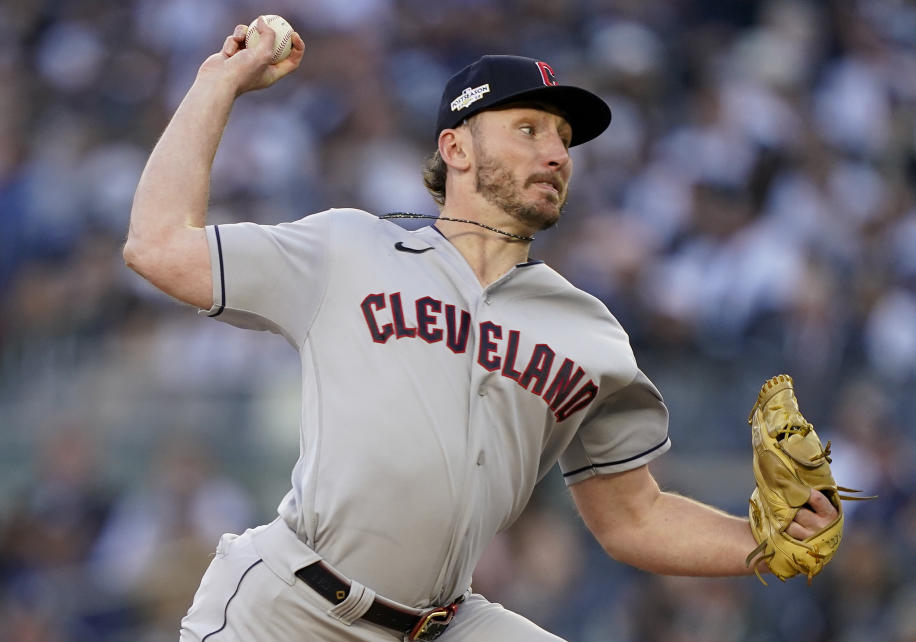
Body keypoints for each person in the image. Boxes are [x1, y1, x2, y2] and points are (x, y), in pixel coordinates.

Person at [124, 18, 839, 642]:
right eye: (528, 130)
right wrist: (219, 81)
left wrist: (761, 542)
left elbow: (634, 518)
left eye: (563, 140)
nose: (557, 154)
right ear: (457, 150)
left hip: (444, 623)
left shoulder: (588, 331)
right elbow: (156, 245)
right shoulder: (346, 250)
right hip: (289, 609)